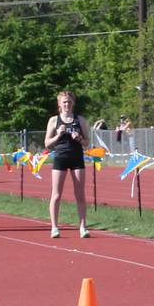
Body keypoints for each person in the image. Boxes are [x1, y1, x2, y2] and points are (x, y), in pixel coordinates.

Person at [44, 90, 90, 238]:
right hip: (60, 157)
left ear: (73, 103)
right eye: (64, 102)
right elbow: (47, 143)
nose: (67, 104)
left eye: (69, 102)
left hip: (77, 157)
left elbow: (87, 143)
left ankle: (83, 227)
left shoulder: (80, 120)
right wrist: (58, 134)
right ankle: (54, 227)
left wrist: (79, 139)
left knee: (80, 194)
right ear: (59, 104)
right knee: (56, 194)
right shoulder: (53, 120)